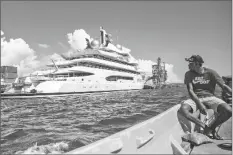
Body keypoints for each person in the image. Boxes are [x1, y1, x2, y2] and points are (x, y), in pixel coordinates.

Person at [179, 55, 232, 139]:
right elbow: (190, 91)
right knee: (183, 109)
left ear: (197, 64)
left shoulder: (211, 73)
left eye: (190, 63)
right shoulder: (188, 74)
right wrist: (199, 103)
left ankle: (212, 127)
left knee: (228, 111)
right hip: (196, 97)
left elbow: (224, 86)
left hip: (210, 97)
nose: (188, 65)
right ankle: (205, 127)